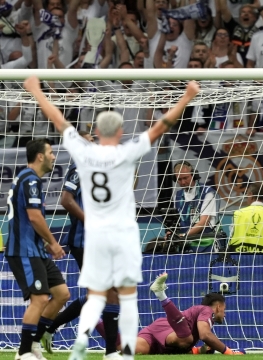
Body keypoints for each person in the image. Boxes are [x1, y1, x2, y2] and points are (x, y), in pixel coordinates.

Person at [22, 76, 200, 360]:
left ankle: (91, 344)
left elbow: (57, 119)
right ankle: (84, 341)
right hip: (105, 235)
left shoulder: (84, 157)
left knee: (107, 292)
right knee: (110, 292)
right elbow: (160, 127)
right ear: (120, 132)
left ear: (95, 132)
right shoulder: (123, 154)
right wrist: (187, 96)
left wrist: (36, 91)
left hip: (101, 237)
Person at [40, 131, 121, 359]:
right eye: (91, 139)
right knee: (111, 292)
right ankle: (111, 353)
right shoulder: (79, 167)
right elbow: (65, 200)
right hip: (84, 240)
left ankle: (51, 326)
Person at [5, 138, 69, 360]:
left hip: (35, 249)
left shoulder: (25, 177)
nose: (53, 156)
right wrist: (52, 242)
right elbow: (34, 217)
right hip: (24, 251)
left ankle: (33, 341)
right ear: (40, 156)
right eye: (51, 152)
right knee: (40, 299)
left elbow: (26, 218)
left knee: (61, 294)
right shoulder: (31, 180)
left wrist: (43, 243)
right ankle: (24, 353)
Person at [121, 273, 244, 355]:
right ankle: (161, 294)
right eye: (224, 309)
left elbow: (184, 348)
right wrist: (230, 352)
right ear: (218, 307)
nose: (225, 315)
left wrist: (199, 350)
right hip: (167, 328)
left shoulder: (197, 321)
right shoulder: (206, 310)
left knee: (124, 350)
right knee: (186, 339)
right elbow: (205, 335)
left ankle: (101, 322)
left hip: (156, 336)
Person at [169, 161, 220, 251]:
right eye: (179, 179)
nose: (183, 182)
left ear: (194, 175)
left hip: (207, 245)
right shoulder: (177, 195)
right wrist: (172, 233)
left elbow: (203, 222)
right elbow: (177, 221)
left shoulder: (208, 193)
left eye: (185, 178)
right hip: (186, 245)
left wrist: (184, 236)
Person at [228, 183, 263, 252]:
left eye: (247, 194)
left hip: (240, 257)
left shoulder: (239, 214)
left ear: (250, 195)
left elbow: (231, 236)